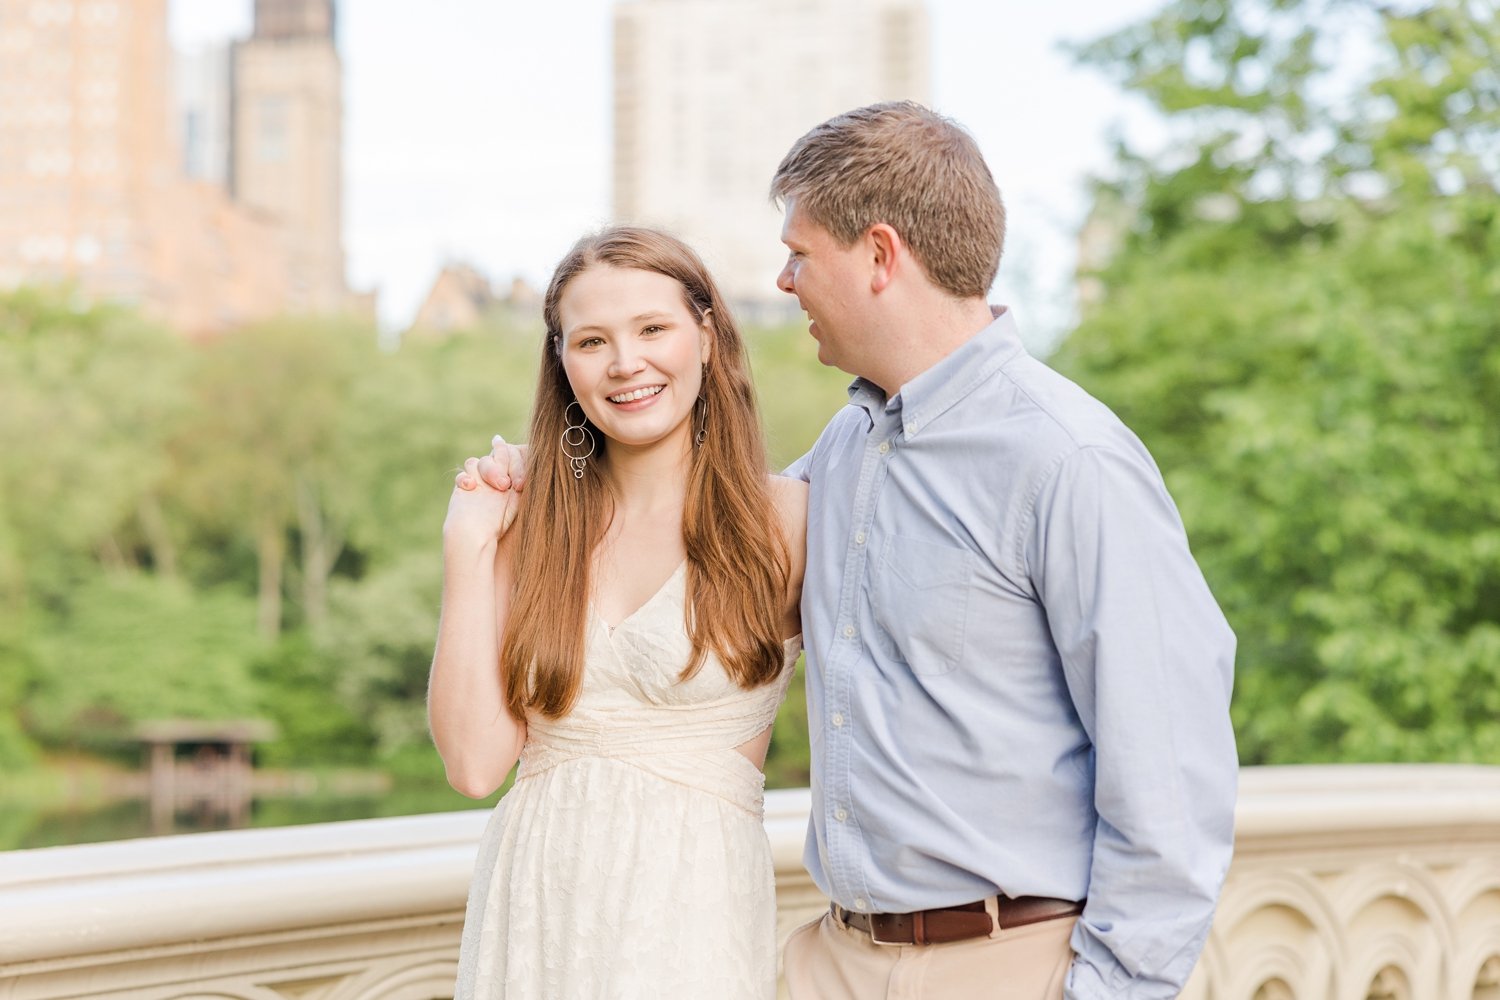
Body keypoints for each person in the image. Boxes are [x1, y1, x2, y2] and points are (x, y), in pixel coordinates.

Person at [471, 103, 1238, 999]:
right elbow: (683, 525)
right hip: (828, 963)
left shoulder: (1069, 460)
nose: (785, 280)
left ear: (879, 256)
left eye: (801, 253)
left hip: (1007, 966)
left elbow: (1171, 779)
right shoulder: (846, 448)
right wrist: (553, 477)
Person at [430, 226, 807, 999]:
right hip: (533, 919)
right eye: (592, 340)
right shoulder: (528, 526)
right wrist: (468, 551)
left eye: (653, 329)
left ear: (706, 336)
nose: (625, 363)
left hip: (692, 920)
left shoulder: (788, 520)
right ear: (562, 363)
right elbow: (473, 766)